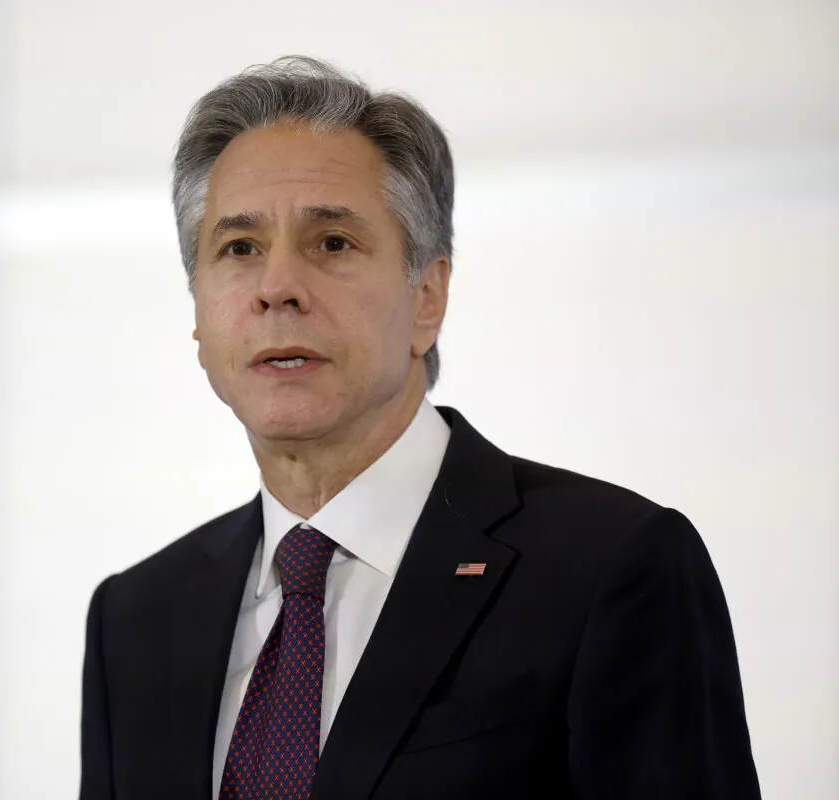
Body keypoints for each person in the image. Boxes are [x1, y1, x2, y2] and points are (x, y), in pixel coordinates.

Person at [79, 56, 761, 800]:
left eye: (332, 243)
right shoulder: (136, 620)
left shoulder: (612, 571)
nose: (277, 288)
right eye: (238, 249)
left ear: (427, 297)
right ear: (199, 313)